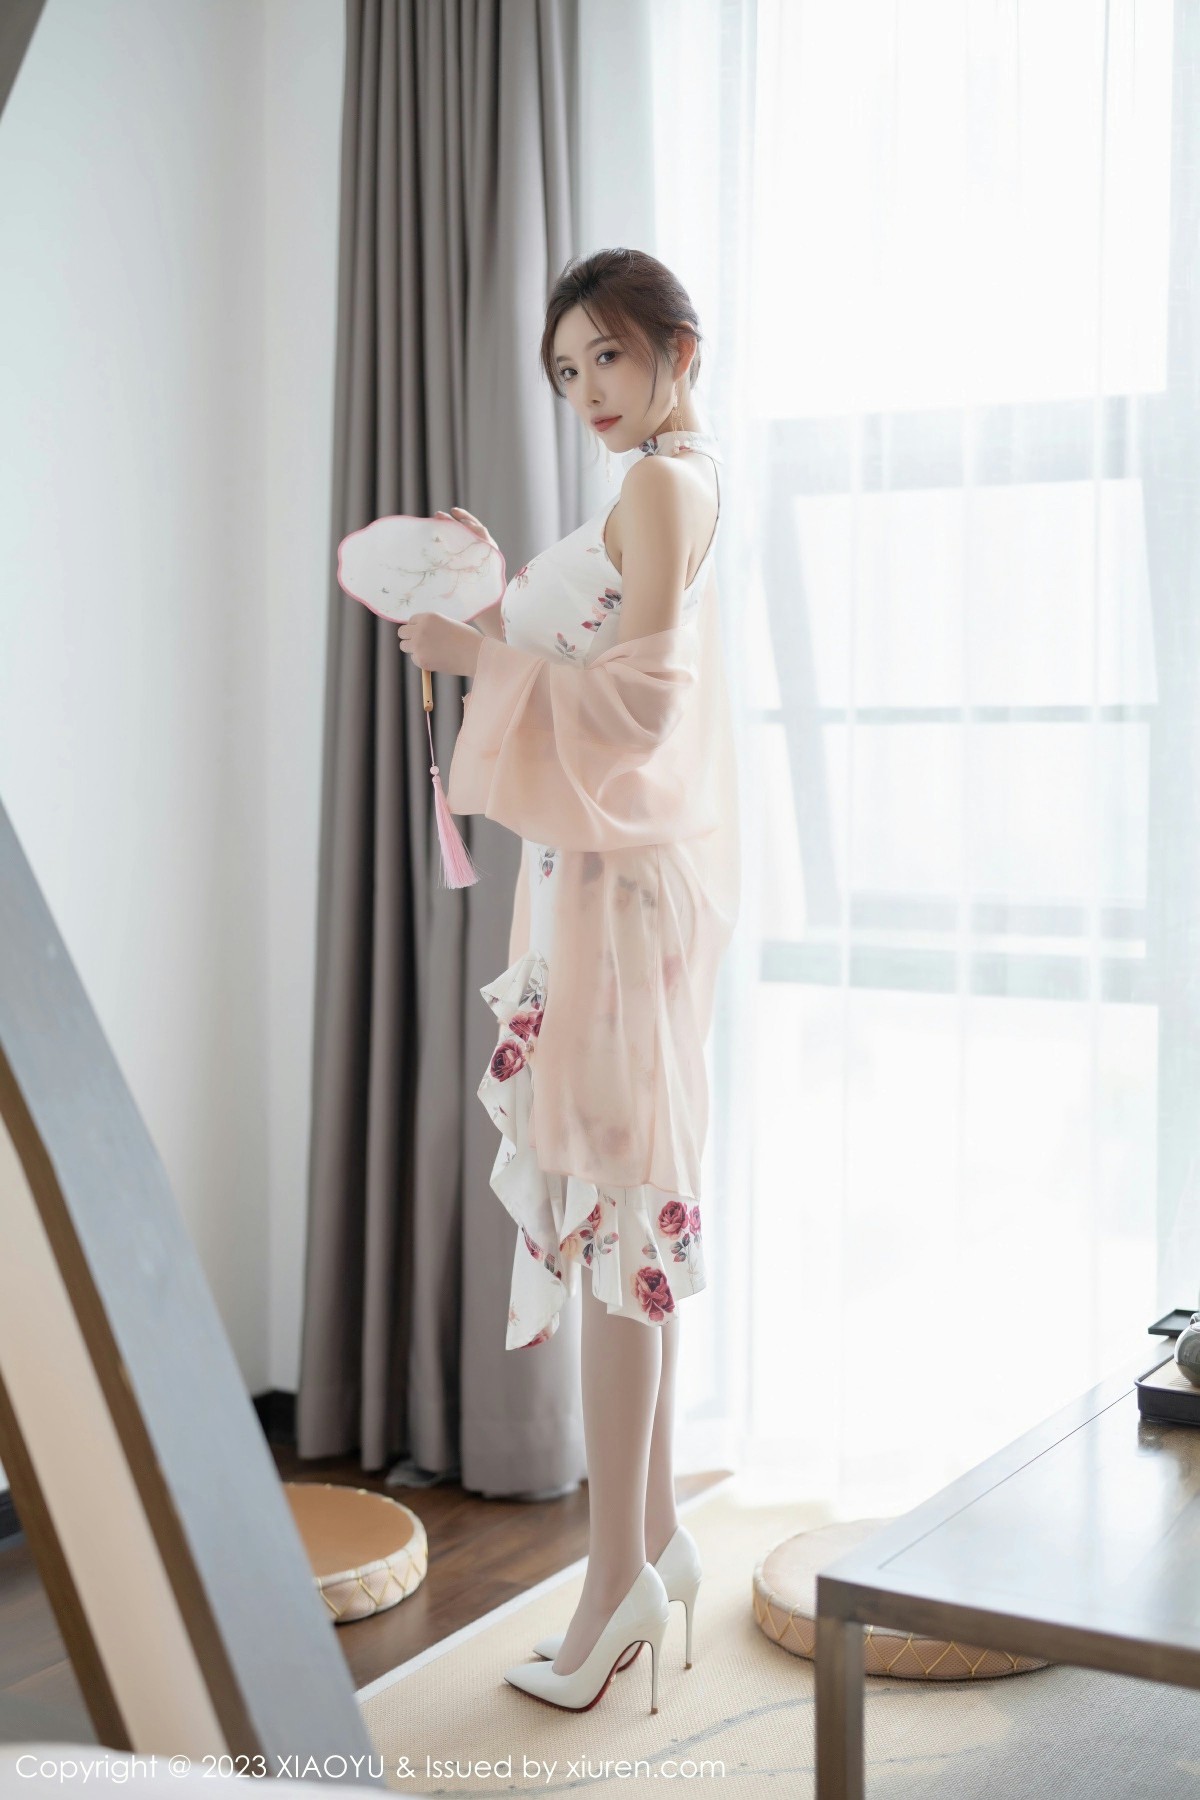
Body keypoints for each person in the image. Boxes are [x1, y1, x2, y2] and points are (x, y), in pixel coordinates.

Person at [396, 248, 740, 1714]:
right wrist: (500, 608)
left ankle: (609, 1592)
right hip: (608, 874)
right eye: (565, 369)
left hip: (615, 882)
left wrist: (474, 654)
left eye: (607, 355)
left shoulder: (658, 483)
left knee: (614, 1215)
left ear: (676, 350)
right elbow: (606, 653)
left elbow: (646, 699)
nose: (586, 388)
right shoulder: (675, 481)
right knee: (624, 1210)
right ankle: (649, 1542)